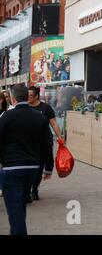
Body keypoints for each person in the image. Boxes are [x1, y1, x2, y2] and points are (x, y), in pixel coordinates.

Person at [0, 84, 53, 235]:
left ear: (12, 98)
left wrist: (3, 160)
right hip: (32, 167)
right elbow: (47, 144)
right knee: (20, 205)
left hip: (12, 168)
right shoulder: (40, 117)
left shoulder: (6, 116)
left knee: (15, 209)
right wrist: (48, 167)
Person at [28, 86, 63, 202]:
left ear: (37, 96)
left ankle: (34, 190)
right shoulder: (25, 107)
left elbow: (53, 124)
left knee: (39, 167)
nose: (28, 97)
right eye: (27, 95)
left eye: (31, 96)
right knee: (30, 167)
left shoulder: (45, 107)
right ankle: (28, 189)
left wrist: (60, 137)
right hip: (29, 142)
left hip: (44, 141)